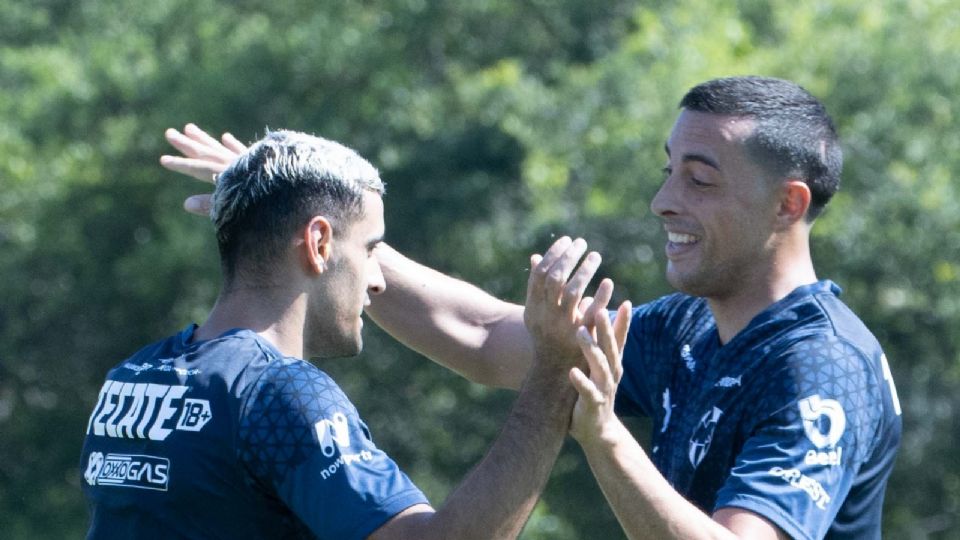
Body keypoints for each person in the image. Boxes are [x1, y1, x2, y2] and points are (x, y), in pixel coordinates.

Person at [161, 76, 902, 539]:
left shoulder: (820, 364)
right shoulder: (689, 328)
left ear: (788, 204)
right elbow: (482, 334)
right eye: (668, 171)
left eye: (699, 179)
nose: (663, 200)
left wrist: (605, 436)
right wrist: (302, 217)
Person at [81, 129, 632, 539]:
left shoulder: (129, 380)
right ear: (319, 244)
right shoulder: (279, 394)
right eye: (370, 249)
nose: (375, 280)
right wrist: (551, 378)